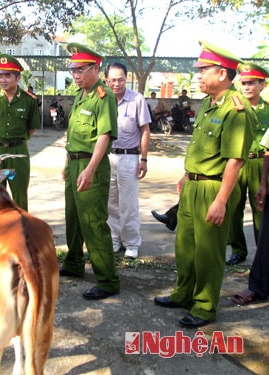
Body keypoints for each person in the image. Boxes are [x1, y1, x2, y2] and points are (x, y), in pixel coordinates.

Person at [154, 40, 257, 328]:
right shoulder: (209, 105)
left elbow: (235, 161)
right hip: (193, 186)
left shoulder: (236, 110)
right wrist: (187, 175)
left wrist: (222, 201)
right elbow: (202, 148)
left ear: (222, 73)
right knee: (185, 246)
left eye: (203, 70)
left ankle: (204, 305)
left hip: (214, 188)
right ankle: (183, 293)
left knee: (208, 252)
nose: (197, 75)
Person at [59, 43, 120, 301]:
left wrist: (91, 170)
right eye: (73, 70)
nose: (76, 75)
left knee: (93, 222)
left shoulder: (103, 96)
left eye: (81, 70)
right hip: (74, 163)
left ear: (96, 68)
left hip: (90, 165)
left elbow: (104, 135)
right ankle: (73, 263)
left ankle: (107, 280)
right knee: (73, 218)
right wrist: (67, 163)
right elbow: (73, 135)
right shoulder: (80, 95)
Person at [0, 54, 41, 211]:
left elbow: (32, 127)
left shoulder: (29, 100)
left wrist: (19, 140)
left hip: (18, 153)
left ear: (18, 77)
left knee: (20, 196)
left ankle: (22, 231)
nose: (3, 80)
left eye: (8, 75)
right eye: (0, 76)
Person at [105, 62, 152, 259]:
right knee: (110, 202)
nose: (117, 83)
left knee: (129, 204)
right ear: (106, 80)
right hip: (107, 157)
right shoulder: (102, 99)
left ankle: (131, 242)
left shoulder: (137, 100)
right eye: (113, 80)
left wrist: (144, 159)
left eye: (121, 79)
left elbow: (145, 130)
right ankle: (114, 239)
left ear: (127, 78)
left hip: (129, 158)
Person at [226, 63, 269, 265]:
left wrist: (264, 179)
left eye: (251, 83)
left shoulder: (267, 111)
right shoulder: (234, 107)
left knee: (261, 209)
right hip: (237, 162)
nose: (246, 87)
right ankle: (238, 249)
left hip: (260, 163)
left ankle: (262, 254)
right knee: (233, 207)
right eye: (243, 83)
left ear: (263, 84)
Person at [232, 127, 269, 305]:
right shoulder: (237, 107)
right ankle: (258, 285)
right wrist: (263, 183)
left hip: (258, 162)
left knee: (260, 220)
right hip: (244, 161)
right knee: (265, 236)